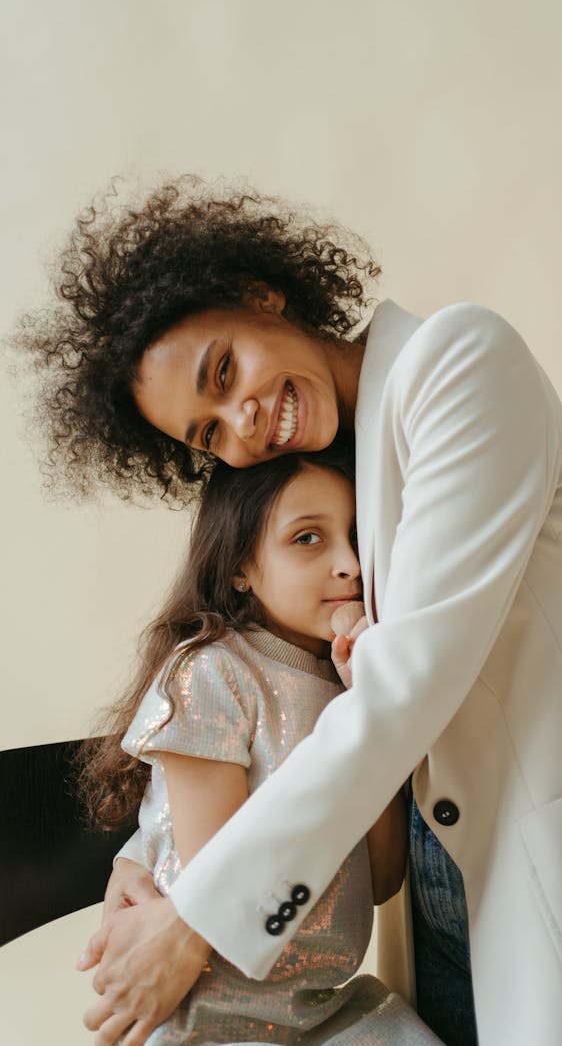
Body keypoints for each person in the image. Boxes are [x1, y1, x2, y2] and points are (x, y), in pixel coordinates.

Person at [17, 178, 562, 1046]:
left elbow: (404, 687)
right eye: (209, 433)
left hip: (561, 879)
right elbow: (267, 693)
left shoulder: (461, 366)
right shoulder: (336, 478)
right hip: (440, 918)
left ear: (263, 295)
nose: (242, 422)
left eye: (224, 371)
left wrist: (196, 920)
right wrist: (146, 866)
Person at [78, 441, 440, 1045]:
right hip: (213, 1017)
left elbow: (381, 881)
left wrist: (370, 710)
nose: (350, 562)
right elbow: (222, 884)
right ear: (240, 566)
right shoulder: (212, 673)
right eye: (308, 538)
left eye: (355, 534)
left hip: (326, 1009)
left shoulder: (342, 678)